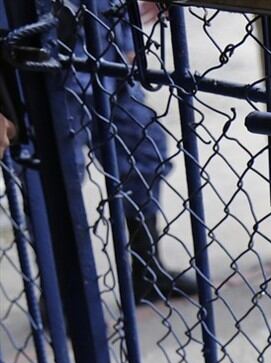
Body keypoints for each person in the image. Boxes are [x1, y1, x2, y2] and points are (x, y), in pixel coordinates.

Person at [66, 0, 197, 303]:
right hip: (53, 59)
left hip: (109, 47)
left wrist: (126, 32)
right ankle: (62, 295)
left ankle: (146, 271)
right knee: (57, 180)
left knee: (146, 154)